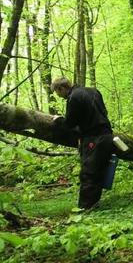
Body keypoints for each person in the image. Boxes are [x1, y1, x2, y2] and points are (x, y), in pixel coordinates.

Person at [50, 76, 115, 210]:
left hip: (94, 138)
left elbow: (70, 123)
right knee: (99, 171)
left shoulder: (73, 97)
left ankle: (85, 208)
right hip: (107, 135)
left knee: (89, 172)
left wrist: (58, 120)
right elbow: (101, 113)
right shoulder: (93, 91)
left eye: (57, 92)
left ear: (61, 88)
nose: (58, 95)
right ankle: (94, 204)